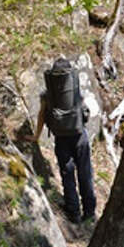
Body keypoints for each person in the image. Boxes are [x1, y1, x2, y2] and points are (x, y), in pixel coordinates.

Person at [29, 57, 96, 225]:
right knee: (85, 173)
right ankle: (89, 212)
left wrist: (36, 136)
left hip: (61, 138)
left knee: (67, 174)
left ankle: (73, 212)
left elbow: (42, 116)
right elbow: (86, 112)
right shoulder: (75, 88)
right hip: (80, 136)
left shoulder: (47, 94)